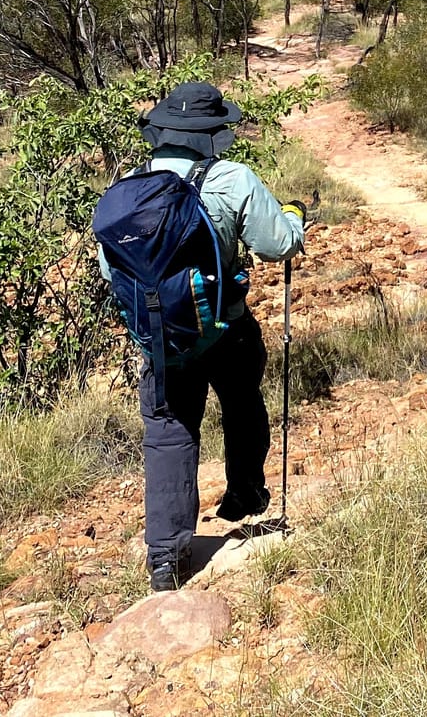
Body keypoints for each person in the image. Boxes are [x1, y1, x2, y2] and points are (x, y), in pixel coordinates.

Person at [112, 81, 306, 591]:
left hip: (161, 339)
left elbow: (115, 270)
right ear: (211, 133)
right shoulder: (230, 178)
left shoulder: (129, 186)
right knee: (241, 401)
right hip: (226, 326)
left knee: (168, 432)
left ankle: (165, 557)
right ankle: (244, 495)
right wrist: (293, 216)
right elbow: (279, 246)